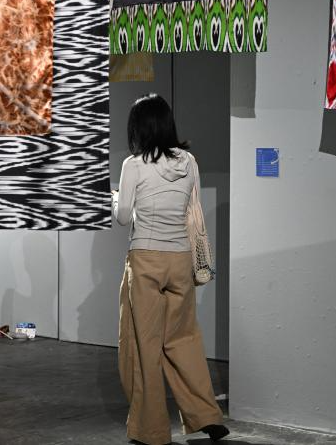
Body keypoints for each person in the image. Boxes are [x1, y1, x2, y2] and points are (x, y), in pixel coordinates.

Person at [113, 94, 228, 445]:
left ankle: (151, 431)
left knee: (144, 346)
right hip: (180, 259)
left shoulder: (133, 165)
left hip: (146, 259)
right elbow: (191, 207)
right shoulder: (189, 161)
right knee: (184, 340)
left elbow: (123, 217)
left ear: (138, 128)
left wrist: (115, 198)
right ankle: (207, 416)